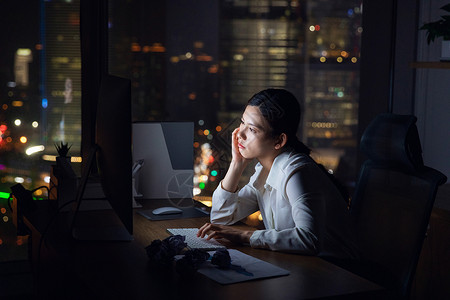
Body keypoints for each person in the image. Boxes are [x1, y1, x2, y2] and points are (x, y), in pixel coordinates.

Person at [197, 88, 358, 259]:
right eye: (242, 122)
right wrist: (236, 164)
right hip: (302, 265)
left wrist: (243, 236)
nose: (240, 134)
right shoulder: (264, 171)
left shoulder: (297, 172)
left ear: (279, 140)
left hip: (338, 272)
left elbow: (309, 240)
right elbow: (220, 219)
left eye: (252, 129)